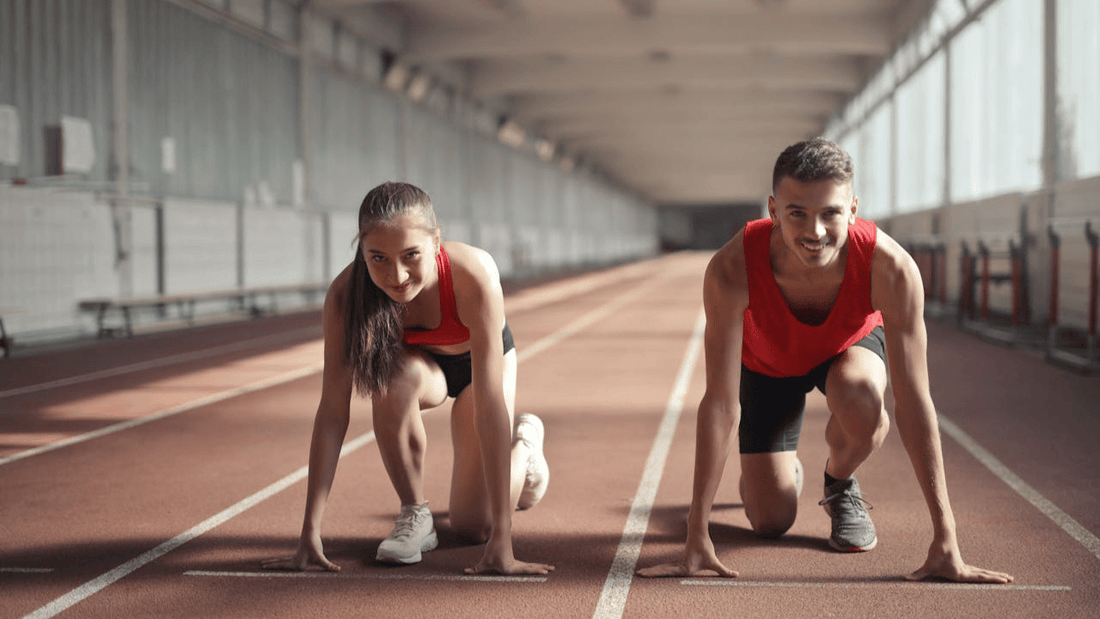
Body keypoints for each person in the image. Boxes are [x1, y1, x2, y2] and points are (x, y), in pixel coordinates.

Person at [637, 139, 1013, 583]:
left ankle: (839, 482)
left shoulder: (891, 270)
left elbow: (914, 403)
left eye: (830, 213)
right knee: (770, 521)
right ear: (773, 210)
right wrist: (696, 535)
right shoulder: (731, 268)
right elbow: (719, 403)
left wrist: (946, 537)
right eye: (798, 212)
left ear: (853, 209)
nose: (815, 231)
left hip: (846, 350)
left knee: (865, 403)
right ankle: (775, 473)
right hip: (767, 365)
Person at [263, 181, 553, 576]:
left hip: (479, 368)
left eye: (411, 255)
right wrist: (309, 532)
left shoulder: (473, 275)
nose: (396, 275)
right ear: (361, 250)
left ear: (436, 243)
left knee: (474, 527)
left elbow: (489, 404)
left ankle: (526, 447)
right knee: (390, 378)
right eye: (378, 257)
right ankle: (416, 515)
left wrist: (504, 539)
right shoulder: (345, 297)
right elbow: (332, 412)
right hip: (420, 369)